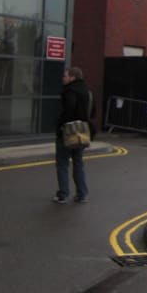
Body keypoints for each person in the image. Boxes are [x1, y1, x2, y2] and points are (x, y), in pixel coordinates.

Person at [54, 66, 95, 203]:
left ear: (72, 77)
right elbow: (93, 112)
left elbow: (68, 110)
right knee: (78, 163)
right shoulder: (88, 92)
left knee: (62, 163)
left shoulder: (69, 91)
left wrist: (61, 124)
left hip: (68, 131)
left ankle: (63, 194)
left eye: (65, 76)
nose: (63, 78)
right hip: (83, 131)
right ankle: (82, 194)